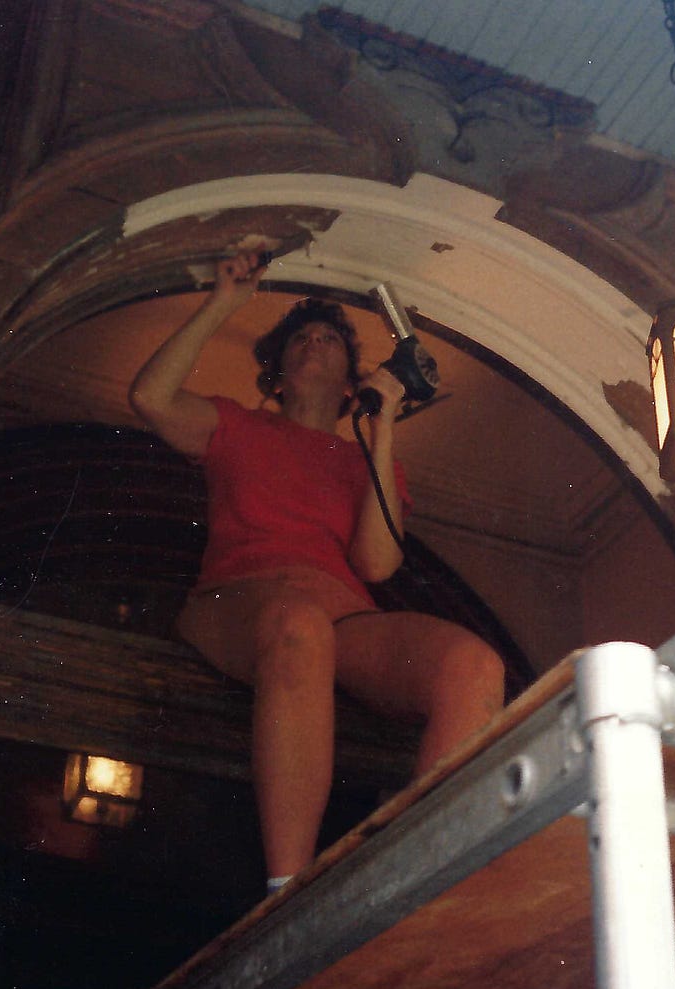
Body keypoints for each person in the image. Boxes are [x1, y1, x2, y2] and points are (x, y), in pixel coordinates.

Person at [130, 249, 505, 892]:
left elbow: (377, 564)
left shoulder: (362, 455)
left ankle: (420, 880)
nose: (314, 343)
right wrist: (223, 302)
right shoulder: (236, 423)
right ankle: (289, 890)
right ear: (276, 372)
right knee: (300, 628)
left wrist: (382, 424)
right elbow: (150, 396)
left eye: (330, 338)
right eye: (301, 337)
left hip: (342, 614)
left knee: (475, 665)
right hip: (242, 600)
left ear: (349, 378)